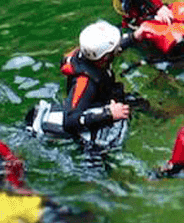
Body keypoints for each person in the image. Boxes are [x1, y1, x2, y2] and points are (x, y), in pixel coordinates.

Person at [26, 21, 131, 153]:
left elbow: (116, 47)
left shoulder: (88, 55)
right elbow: (69, 121)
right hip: (87, 115)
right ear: (104, 58)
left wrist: (134, 37)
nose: (118, 51)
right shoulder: (84, 83)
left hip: (100, 96)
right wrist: (109, 114)